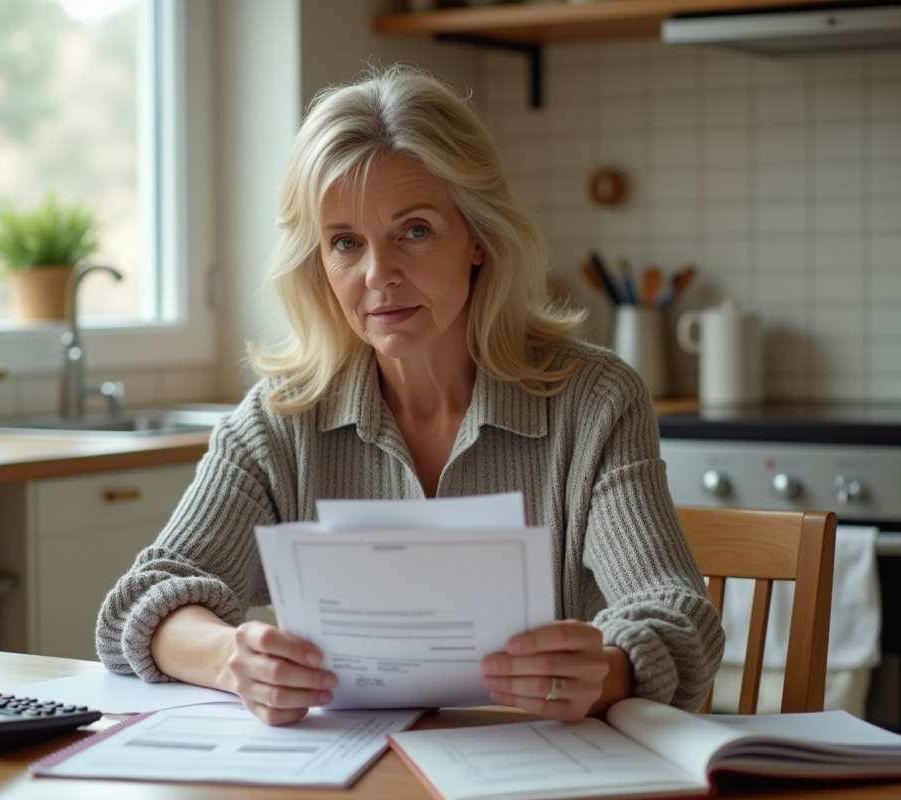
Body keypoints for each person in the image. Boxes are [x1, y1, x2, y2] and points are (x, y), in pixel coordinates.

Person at [96, 64, 724, 727]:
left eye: (415, 231)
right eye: (345, 243)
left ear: (477, 238)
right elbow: (142, 600)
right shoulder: (279, 420)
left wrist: (611, 669)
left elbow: (675, 614)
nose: (378, 275)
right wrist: (231, 658)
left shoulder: (595, 402)